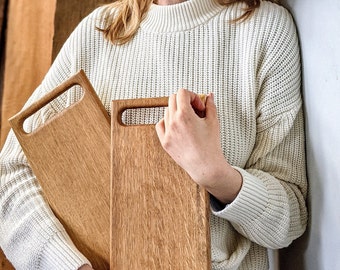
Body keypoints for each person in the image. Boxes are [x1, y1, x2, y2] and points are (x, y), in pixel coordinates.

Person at [0, 0, 308, 269]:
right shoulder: (97, 33)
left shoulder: (266, 29)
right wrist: (68, 264)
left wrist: (215, 174)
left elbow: (290, 219)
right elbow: (8, 176)